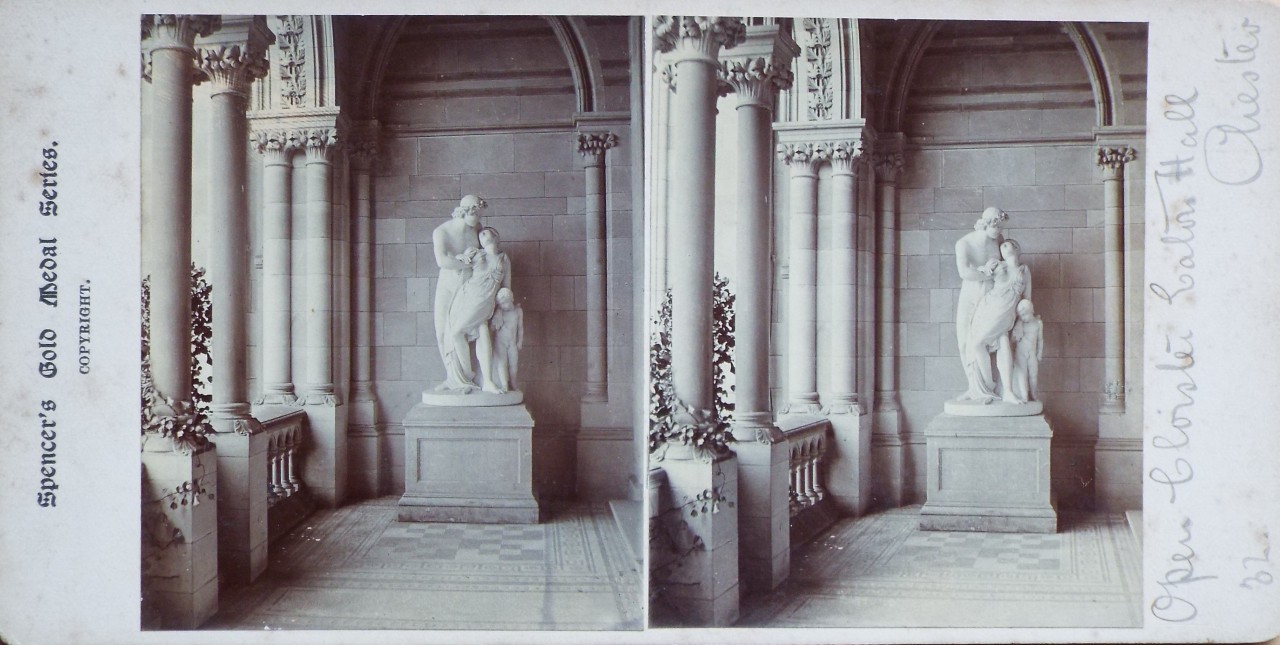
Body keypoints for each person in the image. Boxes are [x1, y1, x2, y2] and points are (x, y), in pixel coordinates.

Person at [439, 226, 512, 393]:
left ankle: (468, 373)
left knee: (458, 332)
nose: (482, 235)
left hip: (485, 300)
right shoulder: (477, 253)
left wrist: (500, 311)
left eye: (486, 232)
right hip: (467, 296)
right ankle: (483, 380)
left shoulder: (503, 258)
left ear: (496, 236)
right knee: (479, 330)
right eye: (480, 234)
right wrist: (461, 256)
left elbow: (507, 287)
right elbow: (458, 262)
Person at [960, 238, 1031, 403]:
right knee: (1000, 341)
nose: (1004, 246)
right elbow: (979, 276)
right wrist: (984, 269)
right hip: (988, 307)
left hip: (1006, 310)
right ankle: (1004, 390)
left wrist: (1020, 322)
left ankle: (990, 385)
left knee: (979, 343)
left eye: (1008, 244)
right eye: (1002, 246)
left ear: (1017, 247)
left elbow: (1027, 298)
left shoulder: (1024, 270)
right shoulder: (997, 264)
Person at [432, 195, 485, 389]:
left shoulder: (477, 229)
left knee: (465, 329)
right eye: (475, 215)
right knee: (441, 330)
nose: (478, 221)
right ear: (463, 212)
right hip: (448, 282)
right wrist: (465, 261)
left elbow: (486, 252)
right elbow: (442, 261)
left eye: (479, 216)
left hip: (470, 282)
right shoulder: (441, 232)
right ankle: (453, 378)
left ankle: (468, 378)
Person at [954, 207, 1007, 393]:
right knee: (964, 340)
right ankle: (975, 389)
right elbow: (964, 272)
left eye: (1001, 227)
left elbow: (1007, 261)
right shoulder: (964, 244)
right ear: (985, 224)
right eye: (996, 227)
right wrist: (988, 271)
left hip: (992, 292)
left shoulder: (998, 239)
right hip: (971, 292)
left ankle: (994, 388)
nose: (1000, 232)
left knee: (992, 339)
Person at [489, 287, 524, 392]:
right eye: (501, 304)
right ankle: (505, 385)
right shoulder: (499, 312)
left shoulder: (518, 311)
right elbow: (492, 328)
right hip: (500, 342)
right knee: (502, 363)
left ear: (511, 299)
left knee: (514, 364)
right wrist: (496, 323)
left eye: (506, 303)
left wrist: (520, 341)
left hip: (512, 342)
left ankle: (513, 383)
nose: (504, 306)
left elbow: (520, 328)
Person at [1011, 299, 1044, 402]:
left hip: (1032, 353)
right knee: (1022, 374)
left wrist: (1040, 352)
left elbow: (1040, 339)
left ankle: (1034, 395)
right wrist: (1017, 332)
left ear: (1031, 311)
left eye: (1025, 315)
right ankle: (1024, 395)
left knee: (1033, 375)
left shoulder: (1038, 323)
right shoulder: (1020, 323)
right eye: (1021, 316)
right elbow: (1012, 339)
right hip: (1021, 353)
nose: (1023, 318)